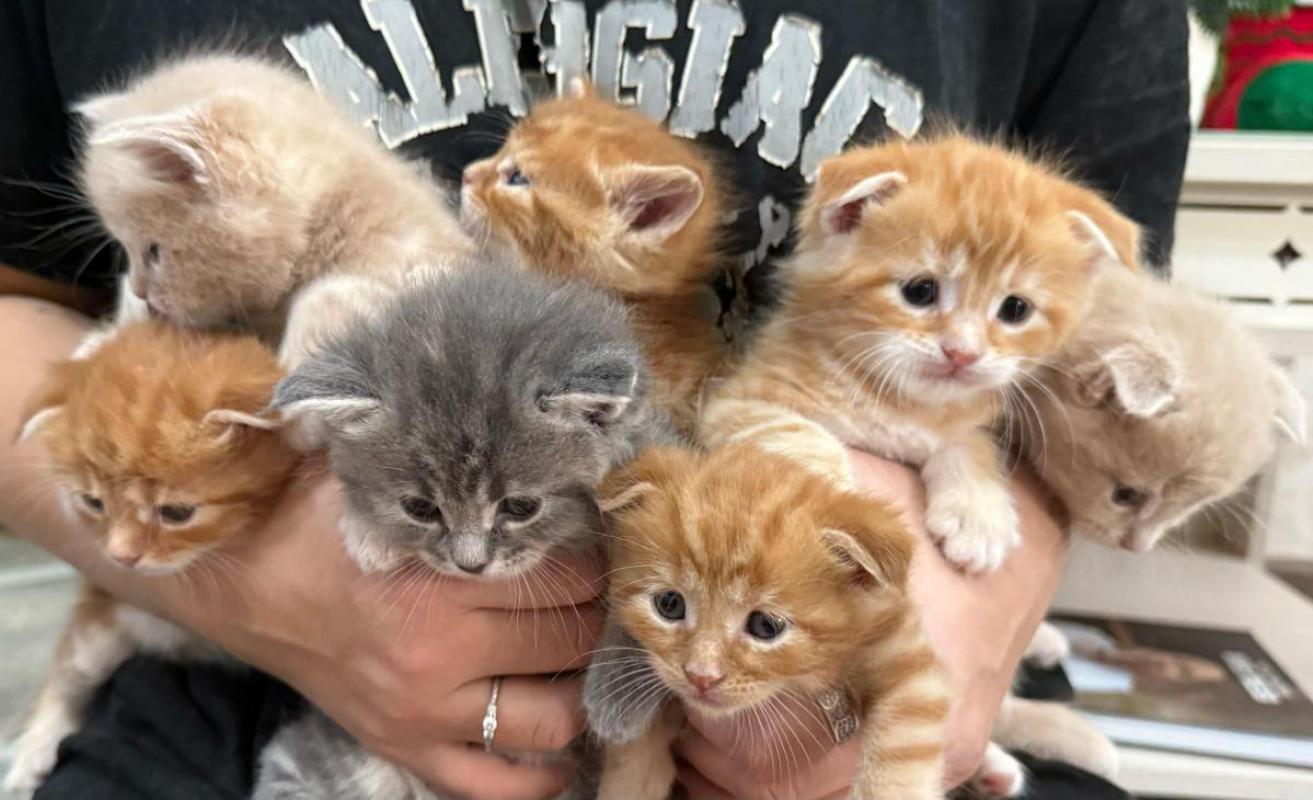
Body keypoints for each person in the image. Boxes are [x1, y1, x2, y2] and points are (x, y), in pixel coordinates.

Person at [0, 1, 1189, 798]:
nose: (478, 182)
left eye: (518, 175)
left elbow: (1107, 377)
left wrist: (958, 622)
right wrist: (260, 580)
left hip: (841, 666)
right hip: (251, 661)